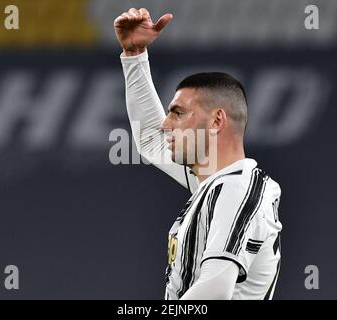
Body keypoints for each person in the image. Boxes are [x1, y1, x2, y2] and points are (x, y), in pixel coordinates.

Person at [114, 7, 282, 300]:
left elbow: (214, 292)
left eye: (177, 113)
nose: (166, 125)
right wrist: (134, 55)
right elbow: (152, 140)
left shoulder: (236, 189)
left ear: (217, 121)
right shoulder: (217, 184)